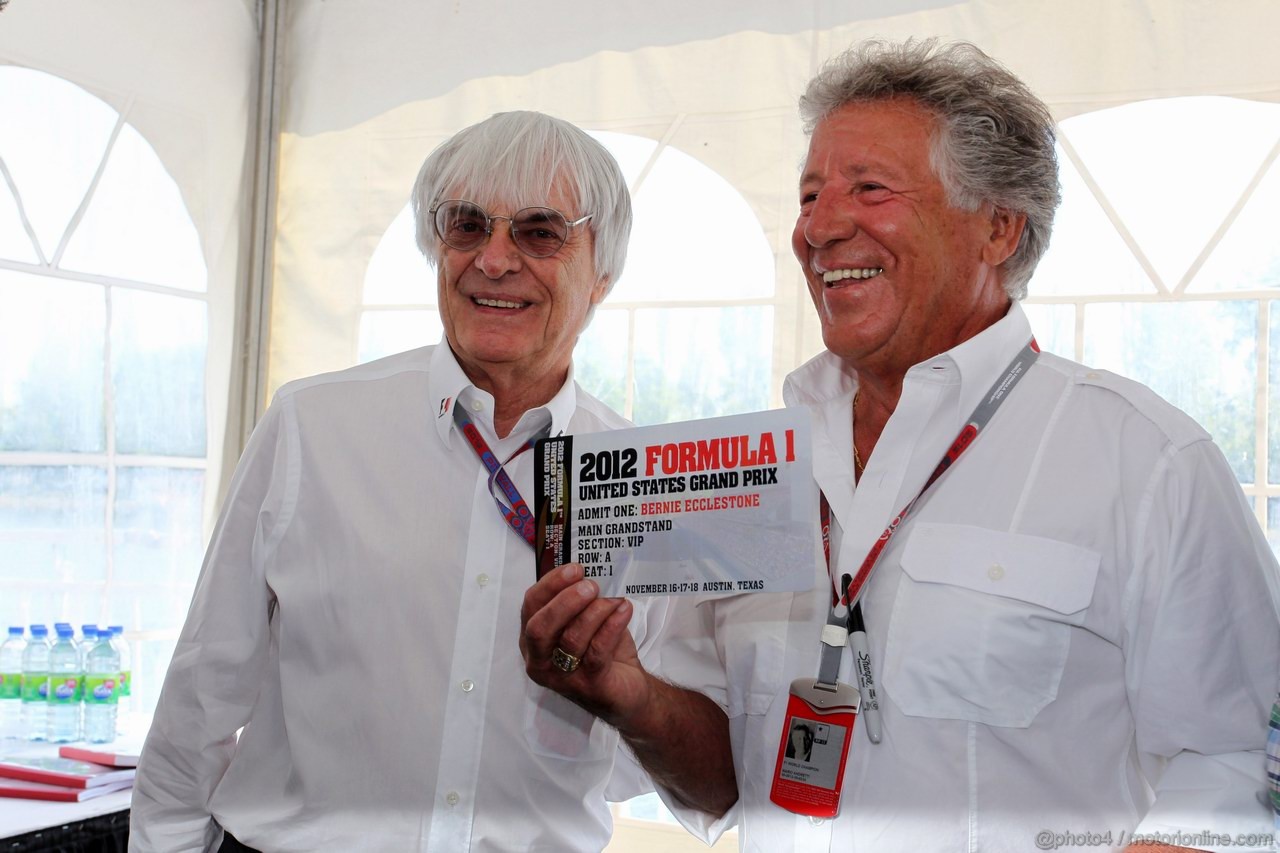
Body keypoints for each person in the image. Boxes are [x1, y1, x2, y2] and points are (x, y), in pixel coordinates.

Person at [525, 39, 1280, 853]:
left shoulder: (1146, 459)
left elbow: (1236, 772)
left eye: (869, 189)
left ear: (997, 228)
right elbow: (725, 780)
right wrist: (633, 697)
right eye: (810, 193)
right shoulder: (758, 470)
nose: (818, 226)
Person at [131, 110, 670, 852]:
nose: (495, 258)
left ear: (603, 271)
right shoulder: (312, 427)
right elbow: (199, 699)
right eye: (467, 225)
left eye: (541, 231)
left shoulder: (645, 477)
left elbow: (658, 737)